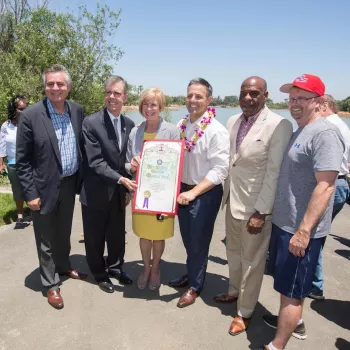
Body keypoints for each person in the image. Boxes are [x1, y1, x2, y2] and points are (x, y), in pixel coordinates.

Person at [258, 74, 344, 350]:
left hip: (300, 229)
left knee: (293, 293)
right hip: (286, 224)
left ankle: (277, 345)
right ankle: (293, 322)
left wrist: (304, 231)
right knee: (288, 288)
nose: (294, 104)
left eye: (302, 99)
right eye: (292, 99)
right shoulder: (302, 129)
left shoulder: (325, 134)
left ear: (318, 102)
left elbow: (326, 185)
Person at [214, 77, 293, 336]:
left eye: (254, 93)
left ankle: (244, 311)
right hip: (232, 202)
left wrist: (261, 211)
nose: (248, 98)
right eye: (244, 93)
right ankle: (234, 292)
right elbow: (231, 163)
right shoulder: (232, 121)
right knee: (233, 254)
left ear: (265, 95)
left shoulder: (279, 125)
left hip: (255, 210)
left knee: (252, 262)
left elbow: (274, 172)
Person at [16, 64, 87, 310]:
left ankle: (63, 264)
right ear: (45, 86)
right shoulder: (31, 115)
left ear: (68, 86)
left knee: (64, 231)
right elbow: (22, 160)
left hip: (69, 184)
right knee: (45, 238)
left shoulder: (76, 110)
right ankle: (50, 284)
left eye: (60, 84)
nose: (55, 88)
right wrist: (30, 194)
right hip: (43, 188)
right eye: (50, 84)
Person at [168, 78, 230, 308]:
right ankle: (192, 272)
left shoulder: (216, 130)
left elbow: (220, 170)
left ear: (209, 100)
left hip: (204, 193)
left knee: (199, 241)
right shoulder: (182, 123)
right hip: (182, 191)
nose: (193, 100)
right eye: (190, 95)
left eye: (199, 96)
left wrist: (194, 192)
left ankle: (195, 286)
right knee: (187, 238)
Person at [80, 75, 136, 293]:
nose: (111, 97)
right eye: (108, 92)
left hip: (118, 192)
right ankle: (99, 273)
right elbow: (95, 161)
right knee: (94, 237)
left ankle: (115, 267)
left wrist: (131, 171)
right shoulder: (91, 123)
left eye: (117, 93)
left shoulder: (129, 124)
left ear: (125, 97)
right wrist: (121, 178)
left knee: (116, 234)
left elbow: (125, 159)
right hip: (95, 191)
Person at [126, 88, 180, 290]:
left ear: (161, 107)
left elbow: (176, 164)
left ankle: (156, 268)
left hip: (163, 195)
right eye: (146, 105)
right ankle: (146, 268)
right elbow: (126, 163)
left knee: (158, 235)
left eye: (154, 105)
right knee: (144, 234)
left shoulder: (173, 131)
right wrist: (131, 165)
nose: (149, 109)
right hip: (141, 193)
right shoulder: (135, 131)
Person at [307, 94, 350, 300]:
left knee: (313, 236)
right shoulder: (341, 125)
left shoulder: (327, 127)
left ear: (323, 105)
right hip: (341, 182)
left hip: (330, 183)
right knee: (317, 237)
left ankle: (314, 285)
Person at [0, 95, 28, 228]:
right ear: (14, 109)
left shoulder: (29, 123)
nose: (24, 111)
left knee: (31, 187)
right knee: (17, 190)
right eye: (21, 108)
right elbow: (2, 145)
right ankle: (20, 215)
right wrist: (1, 163)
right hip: (12, 162)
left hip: (29, 162)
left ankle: (35, 213)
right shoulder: (6, 126)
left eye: (25, 108)